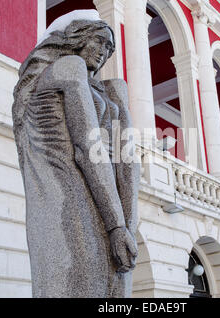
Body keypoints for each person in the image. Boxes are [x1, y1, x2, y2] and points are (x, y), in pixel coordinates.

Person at [12, 10, 140, 298]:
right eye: (100, 42)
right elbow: (86, 146)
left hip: (110, 198)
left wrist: (126, 225)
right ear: (77, 38)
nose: (105, 52)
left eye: (110, 48)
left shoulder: (111, 89)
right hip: (68, 191)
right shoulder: (67, 67)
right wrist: (116, 224)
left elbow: (128, 160)